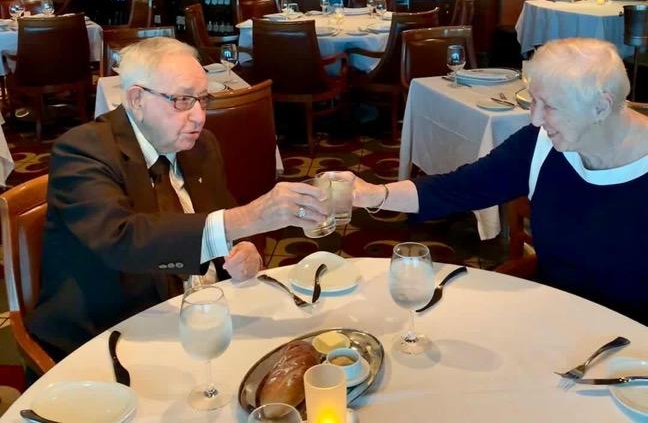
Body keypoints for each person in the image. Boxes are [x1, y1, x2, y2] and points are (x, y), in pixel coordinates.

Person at [26, 38, 328, 359]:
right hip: (113, 338)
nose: (199, 117)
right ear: (137, 99)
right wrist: (249, 218)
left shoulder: (201, 146)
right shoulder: (83, 150)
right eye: (183, 100)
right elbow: (123, 240)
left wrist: (244, 250)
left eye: (203, 99)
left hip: (205, 317)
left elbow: (219, 221)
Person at [346, 38, 648, 324]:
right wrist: (374, 194)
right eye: (533, 102)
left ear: (601, 107)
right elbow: (458, 188)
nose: (535, 119)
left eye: (549, 106)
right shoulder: (541, 143)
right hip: (555, 317)